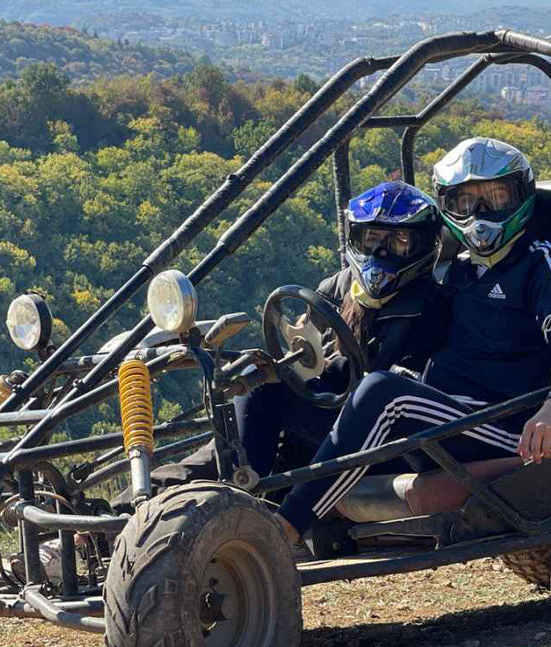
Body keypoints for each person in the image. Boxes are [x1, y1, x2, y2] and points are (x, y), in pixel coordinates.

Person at [277, 137, 551, 541]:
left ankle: (284, 531)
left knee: (384, 392)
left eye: (495, 198)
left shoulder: (541, 260)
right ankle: (244, 503)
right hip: (450, 415)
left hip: (508, 422)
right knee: (276, 390)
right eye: (465, 203)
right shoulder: (462, 270)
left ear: (521, 197)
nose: (479, 215)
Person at [140, 180, 447, 498]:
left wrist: (303, 376)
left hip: (379, 433)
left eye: (398, 241)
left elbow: (399, 386)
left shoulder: (435, 305)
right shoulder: (339, 289)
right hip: (329, 409)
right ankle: (143, 500)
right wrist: (290, 366)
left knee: (263, 397)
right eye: (370, 239)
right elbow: (310, 346)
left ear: (423, 244)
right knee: (235, 426)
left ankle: (240, 499)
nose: (380, 252)